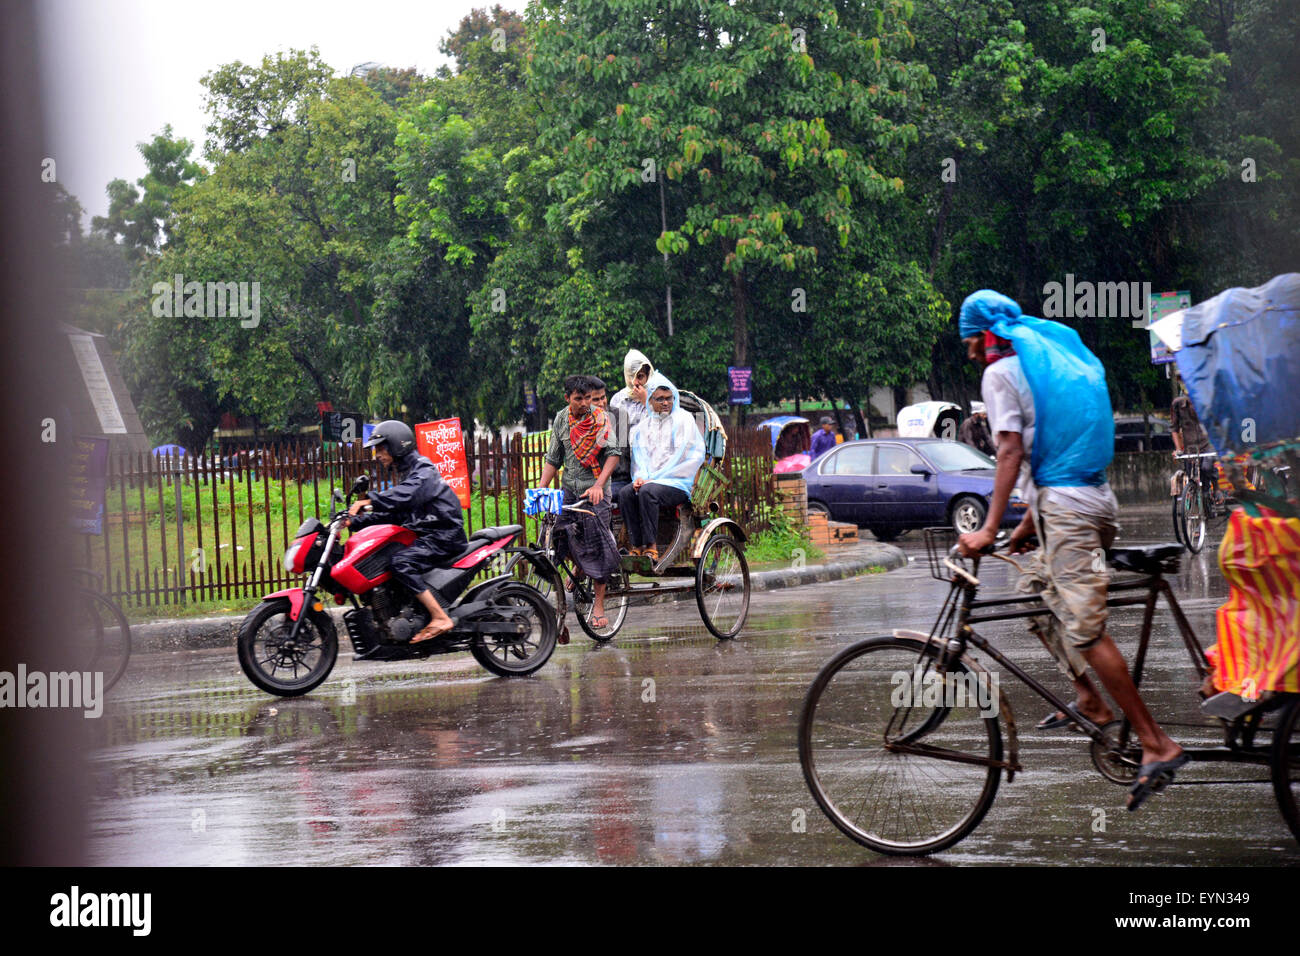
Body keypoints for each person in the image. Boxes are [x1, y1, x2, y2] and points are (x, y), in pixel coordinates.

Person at [955, 289, 1184, 811]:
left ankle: (1156, 742)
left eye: (970, 342)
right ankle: (1088, 698)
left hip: (1070, 512)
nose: (969, 354)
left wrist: (988, 528)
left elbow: (1011, 449)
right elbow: (1056, 448)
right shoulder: (1045, 363)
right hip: (1092, 501)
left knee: (1085, 627)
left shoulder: (1000, 373)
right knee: (1033, 585)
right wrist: (1027, 524)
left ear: (985, 336)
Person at [343, 420, 467, 644]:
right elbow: (399, 513)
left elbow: (407, 496)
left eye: (381, 448)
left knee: (400, 562)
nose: (377, 454)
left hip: (444, 534)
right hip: (426, 535)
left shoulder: (423, 469)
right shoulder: (406, 472)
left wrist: (371, 501)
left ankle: (440, 617)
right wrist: (358, 521)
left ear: (397, 444)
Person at [538, 375, 625, 628]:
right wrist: (541, 489)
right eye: (579, 398)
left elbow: (613, 454)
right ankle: (577, 567)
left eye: (588, 398)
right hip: (570, 489)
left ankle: (598, 605)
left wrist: (599, 485)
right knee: (555, 533)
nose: (585, 403)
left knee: (596, 544)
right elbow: (553, 459)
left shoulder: (600, 419)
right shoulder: (561, 420)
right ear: (567, 399)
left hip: (596, 490)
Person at [617, 372, 705, 562]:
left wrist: (653, 479)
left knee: (648, 491)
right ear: (650, 400)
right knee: (626, 493)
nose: (665, 403)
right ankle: (636, 545)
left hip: (678, 482)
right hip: (651, 482)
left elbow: (685, 458)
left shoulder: (684, 421)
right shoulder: (644, 426)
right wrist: (640, 477)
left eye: (669, 398)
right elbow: (639, 458)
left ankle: (652, 547)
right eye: (660, 399)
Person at [1170, 368, 1216, 499]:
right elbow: (1174, 428)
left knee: (1207, 468)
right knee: (1191, 475)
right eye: (1182, 380)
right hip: (1190, 448)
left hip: (1207, 445)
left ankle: (1214, 490)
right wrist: (1178, 449)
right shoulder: (1177, 404)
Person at [587, 374, 631, 499]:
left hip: (617, 480)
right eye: (596, 400)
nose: (601, 403)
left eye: (603, 397)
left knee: (591, 498)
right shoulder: (579, 421)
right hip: (589, 481)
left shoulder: (619, 417)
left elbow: (617, 458)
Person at [610, 349, 654, 432]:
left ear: (648, 375)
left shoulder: (658, 396)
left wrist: (646, 401)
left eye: (640, 376)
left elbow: (663, 426)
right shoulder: (618, 399)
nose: (635, 382)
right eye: (631, 377)